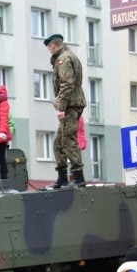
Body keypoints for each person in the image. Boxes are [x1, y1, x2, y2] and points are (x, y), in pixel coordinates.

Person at [44, 33, 87, 189]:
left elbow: (66, 84)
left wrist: (61, 107)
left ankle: (78, 178)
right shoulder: (67, 56)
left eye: (49, 47)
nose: (49, 50)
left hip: (70, 104)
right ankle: (62, 178)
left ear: (53, 45)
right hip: (72, 103)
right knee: (58, 143)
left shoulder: (63, 59)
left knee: (68, 140)